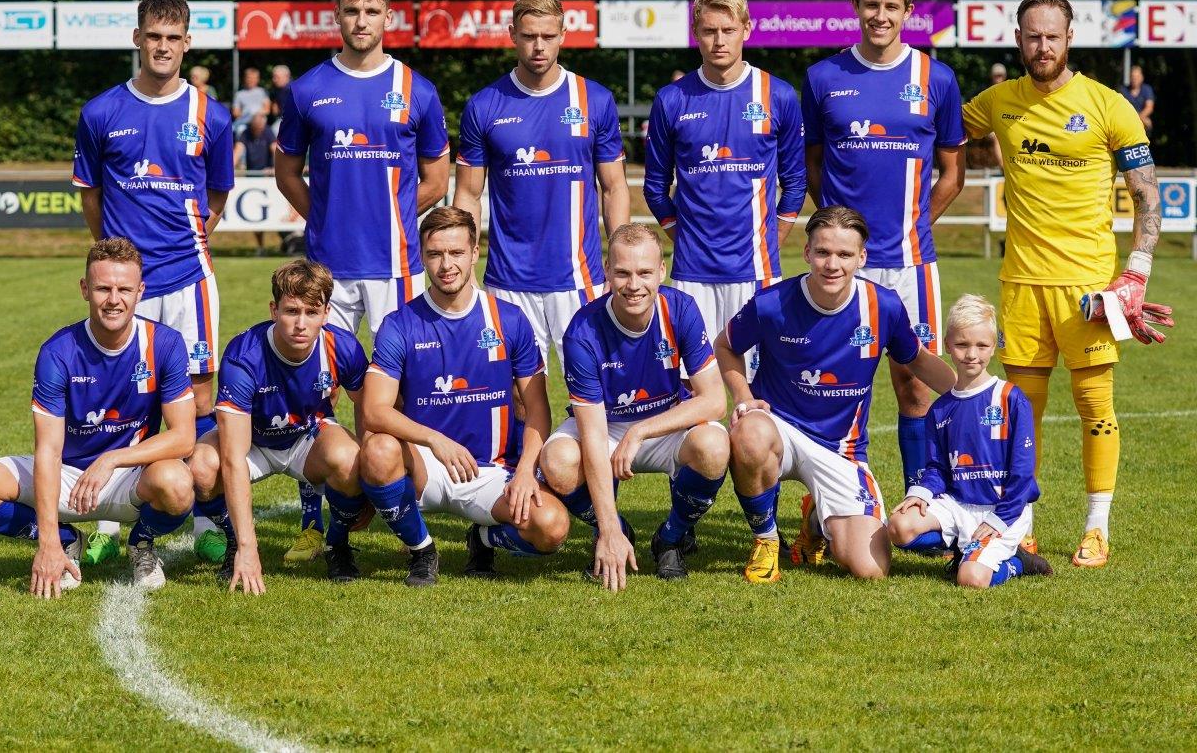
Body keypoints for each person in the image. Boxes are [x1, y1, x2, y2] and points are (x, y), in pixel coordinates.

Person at [962, 0, 1168, 568]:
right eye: (1033, 36)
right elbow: (935, 131)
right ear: (1018, 39)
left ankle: (1096, 527)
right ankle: (1019, 526)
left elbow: (1146, 195)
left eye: (1053, 36)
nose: (1043, 46)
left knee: (1095, 405)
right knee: (1021, 413)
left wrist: (1137, 271)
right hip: (1022, 284)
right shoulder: (998, 101)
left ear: (1070, 38)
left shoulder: (1108, 105)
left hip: (1088, 289)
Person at [72, 0, 234, 566]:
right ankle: (108, 521)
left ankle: (208, 516)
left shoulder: (212, 115)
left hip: (190, 280)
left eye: (173, 38)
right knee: (123, 394)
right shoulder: (100, 112)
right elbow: (92, 197)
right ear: (137, 39)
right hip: (127, 287)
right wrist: (118, 260)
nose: (162, 47)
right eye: (153, 37)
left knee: (200, 396)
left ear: (187, 43)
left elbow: (216, 197)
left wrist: (185, 243)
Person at [800, 0, 966, 516]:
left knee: (916, 386)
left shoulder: (937, 79)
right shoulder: (823, 77)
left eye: (892, 5)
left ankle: (918, 505)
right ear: (856, 7)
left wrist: (914, 224)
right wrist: (841, 235)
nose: (880, 15)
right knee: (833, 386)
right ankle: (826, 508)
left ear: (908, 11)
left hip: (911, 262)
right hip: (843, 266)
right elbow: (812, 163)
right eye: (871, 4)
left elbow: (953, 173)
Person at [716, 206, 955, 583]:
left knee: (871, 570)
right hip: (777, 429)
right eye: (823, 252)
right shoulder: (772, 303)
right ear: (807, 252)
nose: (832, 264)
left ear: (862, 257)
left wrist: (974, 393)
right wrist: (743, 398)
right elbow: (726, 345)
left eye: (844, 254)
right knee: (750, 432)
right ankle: (766, 539)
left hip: (841, 448)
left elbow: (918, 360)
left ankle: (816, 519)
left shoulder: (883, 306)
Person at [0, 239, 197, 596]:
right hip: (66, 475)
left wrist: (111, 459)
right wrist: (47, 542)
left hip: (129, 476)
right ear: (85, 289)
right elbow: (48, 451)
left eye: (124, 289)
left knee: (177, 483)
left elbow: (184, 437)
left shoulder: (165, 343)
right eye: (102, 288)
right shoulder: (58, 351)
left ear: (140, 291)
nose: (113, 299)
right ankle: (67, 541)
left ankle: (141, 543)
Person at [358, 207, 568, 585]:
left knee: (551, 528)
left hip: (491, 471)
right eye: (435, 254)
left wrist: (525, 472)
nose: (446, 265)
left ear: (474, 253)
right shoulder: (400, 324)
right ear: (422, 257)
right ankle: (422, 550)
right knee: (377, 450)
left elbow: (538, 408)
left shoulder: (509, 319)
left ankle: (484, 537)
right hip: (426, 464)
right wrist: (435, 440)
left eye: (456, 253)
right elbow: (373, 410)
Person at [539, 223, 729, 591]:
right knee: (558, 463)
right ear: (607, 271)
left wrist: (641, 431)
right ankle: (616, 531)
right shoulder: (582, 332)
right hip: (605, 425)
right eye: (623, 273)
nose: (634, 285)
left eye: (644, 273)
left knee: (714, 446)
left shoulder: (681, 309)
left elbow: (714, 400)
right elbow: (593, 434)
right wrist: (608, 527)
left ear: (661, 271)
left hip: (664, 421)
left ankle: (671, 537)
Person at [454, 0, 629, 370]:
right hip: (507, 281)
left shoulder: (595, 100)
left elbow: (614, 187)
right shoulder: (484, 105)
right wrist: (462, 261)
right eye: (529, 36)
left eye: (548, 36)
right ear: (512, 35)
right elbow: (467, 193)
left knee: (595, 390)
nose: (538, 46)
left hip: (580, 280)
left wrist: (622, 259)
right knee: (514, 395)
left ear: (563, 35)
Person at [275, 0, 450, 338]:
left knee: (403, 371)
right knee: (325, 369)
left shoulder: (418, 90)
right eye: (352, 11)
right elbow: (286, 173)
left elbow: (436, 182)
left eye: (371, 11)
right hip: (327, 265)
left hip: (396, 264)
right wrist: (325, 218)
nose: (361, 21)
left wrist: (392, 217)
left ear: (388, 17)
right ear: (336, 14)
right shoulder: (306, 89)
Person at [644, 0, 806, 374]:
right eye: (709, 31)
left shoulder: (778, 95)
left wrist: (772, 238)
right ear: (695, 33)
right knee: (691, 387)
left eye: (728, 30)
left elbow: (795, 182)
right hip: (692, 273)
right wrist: (682, 236)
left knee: (760, 386)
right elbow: (655, 187)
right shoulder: (672, 99)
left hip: (756, 272)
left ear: (746, 29)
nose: (719, 41)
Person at [188, 259, 371, 592]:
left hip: (307, 438)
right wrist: (248, 546)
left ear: (326, 313)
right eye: (291, 311)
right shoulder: (244, 355)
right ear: (274, 310)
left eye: (312, 312)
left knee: (351, 458)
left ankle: (337, 543)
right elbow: (232, 457)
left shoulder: (342, 346)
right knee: (201, 467)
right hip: (253, 442)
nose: (301, 324)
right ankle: (235, 542)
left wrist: (370, 485)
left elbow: (372, 412)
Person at [889, 294, 1054, 587]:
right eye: (962, 344)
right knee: (899, 525)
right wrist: (921, 493)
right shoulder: (940, 408)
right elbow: (937, 468)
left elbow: (1022, 474)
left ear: (995, 345)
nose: (971, 354)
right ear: (947, 344)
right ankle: (965, 548)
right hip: (958, 504)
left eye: (981, 345)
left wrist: (1000, 519)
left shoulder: (1010, 398)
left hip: (1002, 508)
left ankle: (1019, 562)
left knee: (971, 579)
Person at [231, 67, 271, 136]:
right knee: (240, 130)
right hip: (244, 121)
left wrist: (255, 114)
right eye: (249, 78)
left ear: (258, 79)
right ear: (245, 78)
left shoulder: (262, 92)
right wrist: (247, 114)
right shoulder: (239, 94)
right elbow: (235, 112)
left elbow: (267, 110)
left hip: (259, 120)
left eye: (254, 78)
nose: (251, 80)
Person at [1120, 64, 1155, 136]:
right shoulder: (1123, 90)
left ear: (1142, 77)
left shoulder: (1147, 89)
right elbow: (1121, 109)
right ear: (1130, 78)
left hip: (1141, 120)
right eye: (1133, 77)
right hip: (1127, 120)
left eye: (1137, 77)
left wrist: (1138, 118)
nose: (1135, 79)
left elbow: (1149, 108)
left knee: (1147, 123)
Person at [270, 64, 293, 134]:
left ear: (286, 77)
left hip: (291, 121)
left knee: (273, 132)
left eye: (277, 77)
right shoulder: (277, 90)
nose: (274, 80)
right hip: (282, 119)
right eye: (273, 77)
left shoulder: (293, 90)